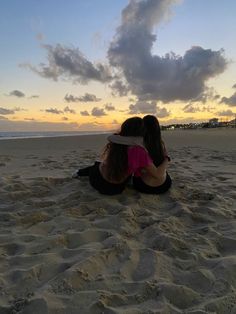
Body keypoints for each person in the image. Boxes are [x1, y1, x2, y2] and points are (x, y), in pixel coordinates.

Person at [72, 116, 168, 195]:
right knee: (105, 166)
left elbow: (110, 137)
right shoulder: (141, 150)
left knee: (98, 165)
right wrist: (166, 158)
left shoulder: (117, 143)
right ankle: (80, 172)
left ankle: (78, 172)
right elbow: (154, 173)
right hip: (116, 189)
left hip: (99, 181)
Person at [108, 115, 172, 194]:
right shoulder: (160, 143)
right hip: (164, 185)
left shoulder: (138, 142)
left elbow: (111, 138)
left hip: (144, 186)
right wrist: (166, 159)